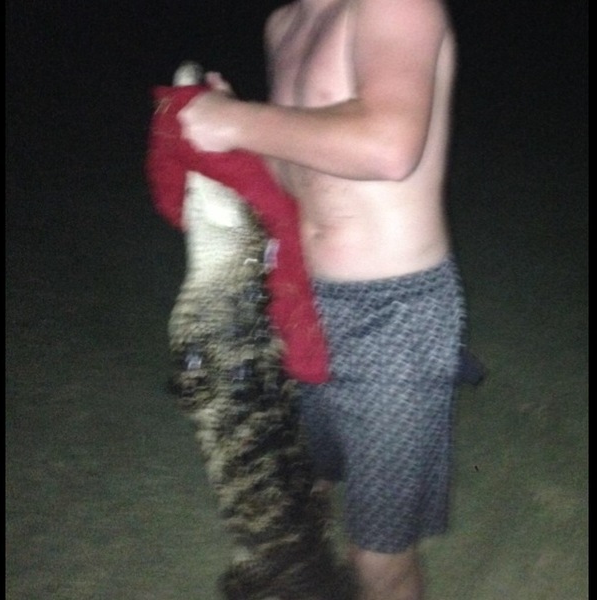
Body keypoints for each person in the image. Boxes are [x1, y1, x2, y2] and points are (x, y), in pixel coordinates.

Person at [178, 0, 466, 598]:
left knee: (378, 558)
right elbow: (300, 170)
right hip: (300, 305)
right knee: (302, 506)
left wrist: (236, 121)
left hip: (392, 315)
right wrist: (236, 139)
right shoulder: (284, 24)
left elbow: (388, 147)